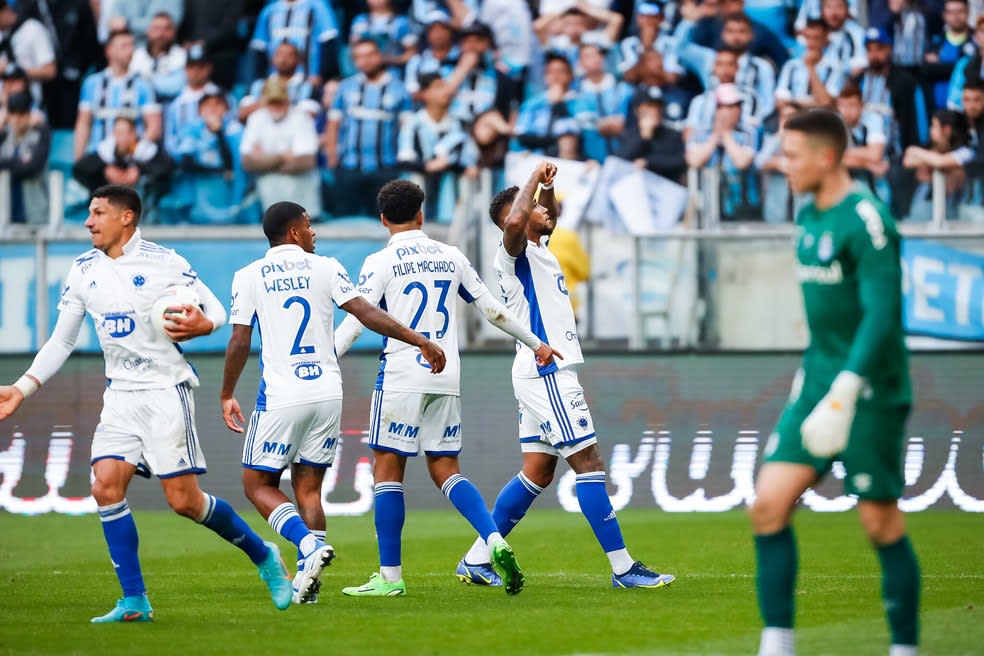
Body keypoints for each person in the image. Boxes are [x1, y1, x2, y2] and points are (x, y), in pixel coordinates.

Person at [0, 185, 296, 621]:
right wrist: (22, 388)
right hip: (119, 396)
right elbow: (61, 340)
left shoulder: (165, 263)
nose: (88, 221)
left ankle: (262, 554)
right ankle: (135, 600)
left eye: (98, 212)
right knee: (104, 486)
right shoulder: (82, 270)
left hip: (164, 391)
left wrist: (201, 324)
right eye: (88, 213)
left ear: (126, 218)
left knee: (184, 502)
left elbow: (215, 311)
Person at [455, 162, 676, 590]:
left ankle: (476, 559)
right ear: (512, 220)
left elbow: (543, 217)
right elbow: (519, 217)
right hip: (546, 369)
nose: (544, 209)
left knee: (537, 471)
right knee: (589, 464)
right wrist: (534, 177)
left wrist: (547, 188)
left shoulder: (538, 247)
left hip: (537, 368)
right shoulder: (511, 250)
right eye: (534, 206)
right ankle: (624, 568)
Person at [333, 179, 559, 597]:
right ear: (421, 214)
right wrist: (537, 344)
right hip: (447, 376)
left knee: (387, 472)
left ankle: (390, 577)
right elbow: (492, 309)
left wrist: (329, 358)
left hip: (402, 374)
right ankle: (494, 541)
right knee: (446, 469)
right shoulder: (450, 255)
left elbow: (358, 318)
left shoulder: (379, 261)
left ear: (384, 220)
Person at [748, 109, 919, 656]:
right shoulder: (807, 216)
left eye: (793, 155)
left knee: (880, 522)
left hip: (869, 391)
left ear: (827, 157)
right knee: (768, 505)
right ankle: (778, 645)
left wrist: (847, 389)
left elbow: (882, 315)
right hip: (818, 382)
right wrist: (820, 382)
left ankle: (905, 648)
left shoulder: (868, 221)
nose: (783, 165)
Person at [221, 200, 446, 604]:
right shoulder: (327, 267)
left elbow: (239, 340)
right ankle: (309, 583)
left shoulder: (248, 276)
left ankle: (307, 548)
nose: (314, 232)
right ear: (293, 232)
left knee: (256, 483)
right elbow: (366, 313)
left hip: (281, 394)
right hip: (327, 392)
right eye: (308, 225)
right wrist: (420, 339)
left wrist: (226, 393)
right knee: (309, 488)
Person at [324, 38, 411, 217]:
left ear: (379, 56)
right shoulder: (345, 87)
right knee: (345, 220)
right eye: (360, 57)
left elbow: (406, 126)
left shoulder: (399, 88)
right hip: (349, 167)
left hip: (386, 167)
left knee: (384, 221)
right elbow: (333, 124)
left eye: (370, 55)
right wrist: (332, 156)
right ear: (354, 61)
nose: (366, 60)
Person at [397, 73, 477, 222]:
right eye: (438, 87)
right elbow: (404, 159)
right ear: (424, 94)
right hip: (420, 195)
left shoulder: (460, 122)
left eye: (446, 86)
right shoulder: (414, 123)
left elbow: (469, 162)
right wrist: (428, 166)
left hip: (452, 198)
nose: (446, 91)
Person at [240, 77, 321, 218]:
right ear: (264, 102)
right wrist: (283, 156)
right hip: (268, 197)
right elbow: (248, 162)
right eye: (272, 102)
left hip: (301, 195)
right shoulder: (256, 118)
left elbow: (306, 162)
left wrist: (264, 161)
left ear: (287, 100)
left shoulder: (302, 118)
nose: (276, 106)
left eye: (280, 101)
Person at [74, 29, 160, 161]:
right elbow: (83, 124)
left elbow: (154, 126)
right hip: (99, 158)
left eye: (132, 45)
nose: (130, 50)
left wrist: (135, 153)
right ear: (109, 51)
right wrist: (78, 159)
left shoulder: (143, 84)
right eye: (124, 46)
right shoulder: (92, 83)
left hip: (132, 157)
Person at [72, 116, 172, 193]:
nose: (121, 137)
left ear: (134, 133)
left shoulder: (144, 150)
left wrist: (139, 171)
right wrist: (105, 170)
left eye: (125, 133)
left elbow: (167, 168)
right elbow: (79, 169)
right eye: (118, 132)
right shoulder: (106, 150)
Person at [249, 0, 340, 86]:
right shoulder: (269, 11)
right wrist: (262, 78)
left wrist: (322, 76)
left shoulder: (318, 6)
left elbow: (329, 41)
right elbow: (259, 47)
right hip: (275, 82)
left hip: (308, 80)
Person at [615, 86, 686, 181]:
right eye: (649, 107)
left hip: (665, 188)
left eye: (657, 107)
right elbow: (620, 161)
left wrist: (648, 162)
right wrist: (644, 136)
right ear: (637, 110)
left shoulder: (672, 134)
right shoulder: (629, 134)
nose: (654, 111)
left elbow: (679, 161)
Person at [0, 91, 49, 224]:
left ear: (29, 115)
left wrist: (5, 166)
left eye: (21, 114)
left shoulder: (41, 133)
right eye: (13, 114)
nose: (17, 120)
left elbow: (33, 166)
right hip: (4, 216)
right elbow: (25, 166)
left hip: (34, 214)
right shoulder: (3, 135)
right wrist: (19, 162)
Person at [239, 41, 318, 123]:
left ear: (298, 60)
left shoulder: (307, 87)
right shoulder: (258, 85)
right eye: (279, 54)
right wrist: (268, 101)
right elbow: (242, 114)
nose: (283, 59)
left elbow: (309, 116)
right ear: (272, 59)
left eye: (289, 55)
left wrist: (280, 103)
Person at [774, 19, 845, 109]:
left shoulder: (834, 68)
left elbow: (826, 103)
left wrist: (810, 67)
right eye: (807, 37)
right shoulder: (791, 66)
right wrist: (813, 103)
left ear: (825, 39)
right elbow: (780, 102)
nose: (811, 43)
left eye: (816, 38)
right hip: (795, 118)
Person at [0, 0, 57, 109]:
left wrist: (17, 71)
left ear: (5, 9)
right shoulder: (2, 35)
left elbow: (51, 71)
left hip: (30, 105)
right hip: (3, 104)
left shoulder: (32, 29)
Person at [128, 12, 186, 102]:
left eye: (167, 29)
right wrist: (162, 82)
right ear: (148, 31)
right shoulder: (137, 54)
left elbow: (177, 86)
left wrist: (145, 81)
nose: (161, 33)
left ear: (174, 32)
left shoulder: (180, 55)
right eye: (157, 28)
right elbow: (130, 85)